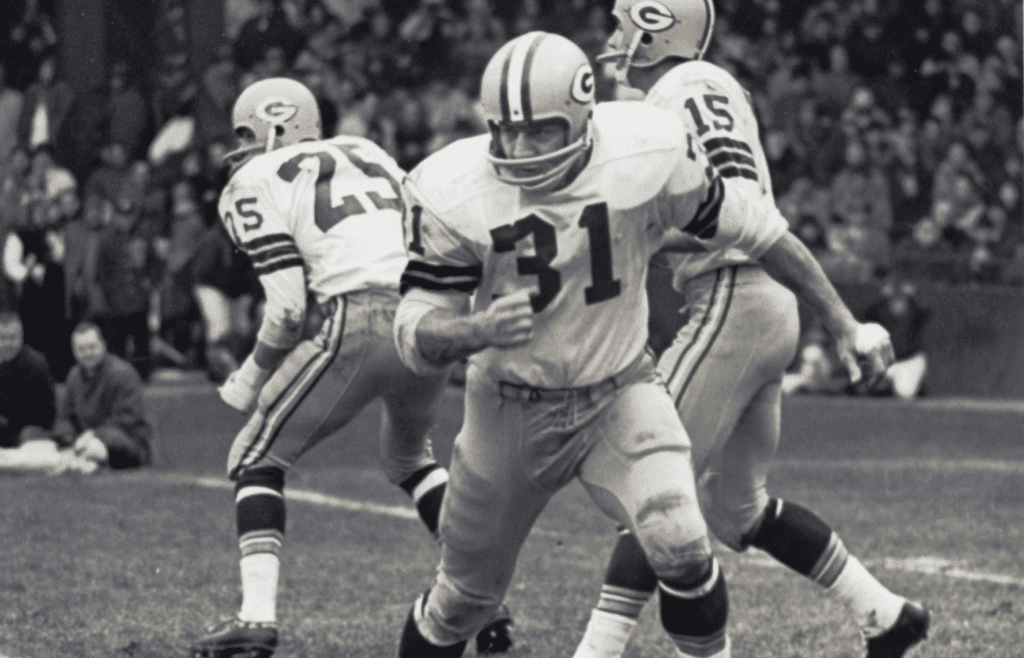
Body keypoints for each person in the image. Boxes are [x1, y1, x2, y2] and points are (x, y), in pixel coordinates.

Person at [391, 30, 809, 658]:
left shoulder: (645, 148)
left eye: (540, 132)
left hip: (619, 391)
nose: (517, 148)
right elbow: (413, 325)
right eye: (505, 130)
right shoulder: (454, 187)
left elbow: (756, 225)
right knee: (462, 602)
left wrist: (842, 318)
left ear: (582, 119)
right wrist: (470, 330)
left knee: (680, 539)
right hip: (508, 408)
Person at [571, 2, 930, 658]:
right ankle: (885, 613)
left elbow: (724, 216)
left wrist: (634, 236)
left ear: (655, 33)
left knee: (649, 485)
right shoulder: (718, 86)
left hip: (731, 296)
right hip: (767, 304)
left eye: (624, 26)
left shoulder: (666, 103)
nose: (611, 39)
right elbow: (735, 207)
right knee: (739, 510)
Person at [188, 78, 509, 658]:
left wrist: (250, 377)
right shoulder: (367, 150)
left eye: (244, 131)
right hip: (429, 318)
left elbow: (286, 310)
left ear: (275, 125)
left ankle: (256, 620)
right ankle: (483, 605)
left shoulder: (252, 180)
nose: (237, 147)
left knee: (255, 457)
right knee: (410, 460)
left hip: (361, 321)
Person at [52, 321, 152, 470]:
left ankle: (88, 461)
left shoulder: (123, 373)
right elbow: (65, 417)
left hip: (126, 441)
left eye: (92, 347)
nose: (87, 353)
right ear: (74, 351)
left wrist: (94, 435)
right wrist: (69, 438)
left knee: (103, 444)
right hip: (84, 440)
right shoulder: (73, 376)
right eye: (81, 349)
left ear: (103, 345)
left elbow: (127, 419)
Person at [0, 312, 55, 448]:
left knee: (27, 434)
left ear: (21, 337)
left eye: (12, 338)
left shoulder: (37, 365)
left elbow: (45, 415)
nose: (7, 343)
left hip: (33, 428)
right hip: (4, 426)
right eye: (2, 338)